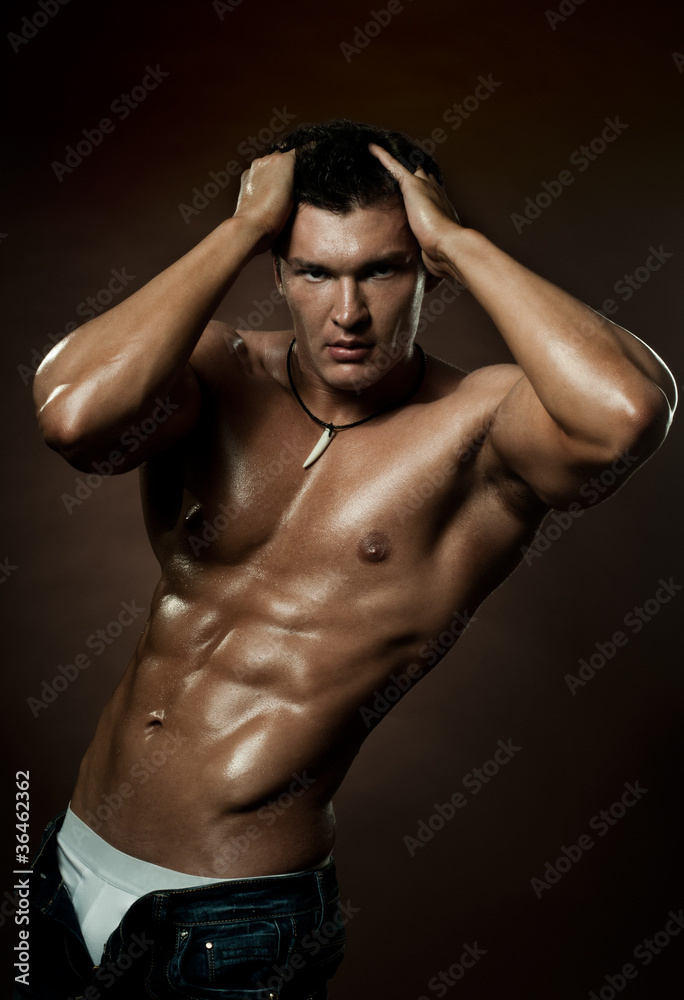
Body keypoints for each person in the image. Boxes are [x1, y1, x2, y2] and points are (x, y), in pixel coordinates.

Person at [24, 118, 676, 999]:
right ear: (278, 272)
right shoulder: (215, 371)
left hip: (236, 921)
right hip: (63, 866)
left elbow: (626, 414)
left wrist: (459, 239)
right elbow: (73, 418)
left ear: (425, 271)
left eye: (383, 269)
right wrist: (240, 227)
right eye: (314, 271)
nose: (349, 313)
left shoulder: (480, 432)